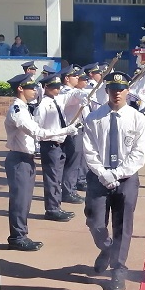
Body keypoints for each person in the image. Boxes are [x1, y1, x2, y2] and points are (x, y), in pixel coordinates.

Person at [82, 71, 145, 290]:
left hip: (126, 178)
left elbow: (139, 154)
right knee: (95, 222)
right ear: (107, 91)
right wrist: (103, 173)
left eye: (121, 89)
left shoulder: (138, 119)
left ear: (128, 91)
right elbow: (89, 150)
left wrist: (118, 173)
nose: (117, 93)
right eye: (112, 89)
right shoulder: (93, 118)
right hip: (98, 176)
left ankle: (118, 270)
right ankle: (107, 249)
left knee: (122, 226)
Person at [3, 73, 72, 251]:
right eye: (30, 88)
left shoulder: (24, 108)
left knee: (24, 199)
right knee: (20, 200)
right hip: (19, 159)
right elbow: (38, 133)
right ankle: (17, 236)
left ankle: (20, 234)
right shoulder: (17, 111)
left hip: (26, 159)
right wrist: (66, 130)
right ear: (20, 89)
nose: (35, 90)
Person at [33, 73, 80, 222]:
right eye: (54, 87)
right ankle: (52, 209)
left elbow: (72, 96)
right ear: (46, 87)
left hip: (60, 144)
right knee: (52, 178)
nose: (57, 89)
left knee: (57, 177)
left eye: (58, 86)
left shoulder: (57, 100)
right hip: (50, 144)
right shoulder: (43, 106)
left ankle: (56, 206)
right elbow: (38, 129)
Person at [57, 65, 90, 204]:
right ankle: (67, 191)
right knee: (72, 163)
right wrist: (84, 94)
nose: (78, 78)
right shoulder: (66, 92)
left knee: (76, 162)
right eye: (74, 76)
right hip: (72, 131)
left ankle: (71, 189)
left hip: (77, 129)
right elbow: (75, 95)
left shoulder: (74, 91)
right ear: (66, 79)